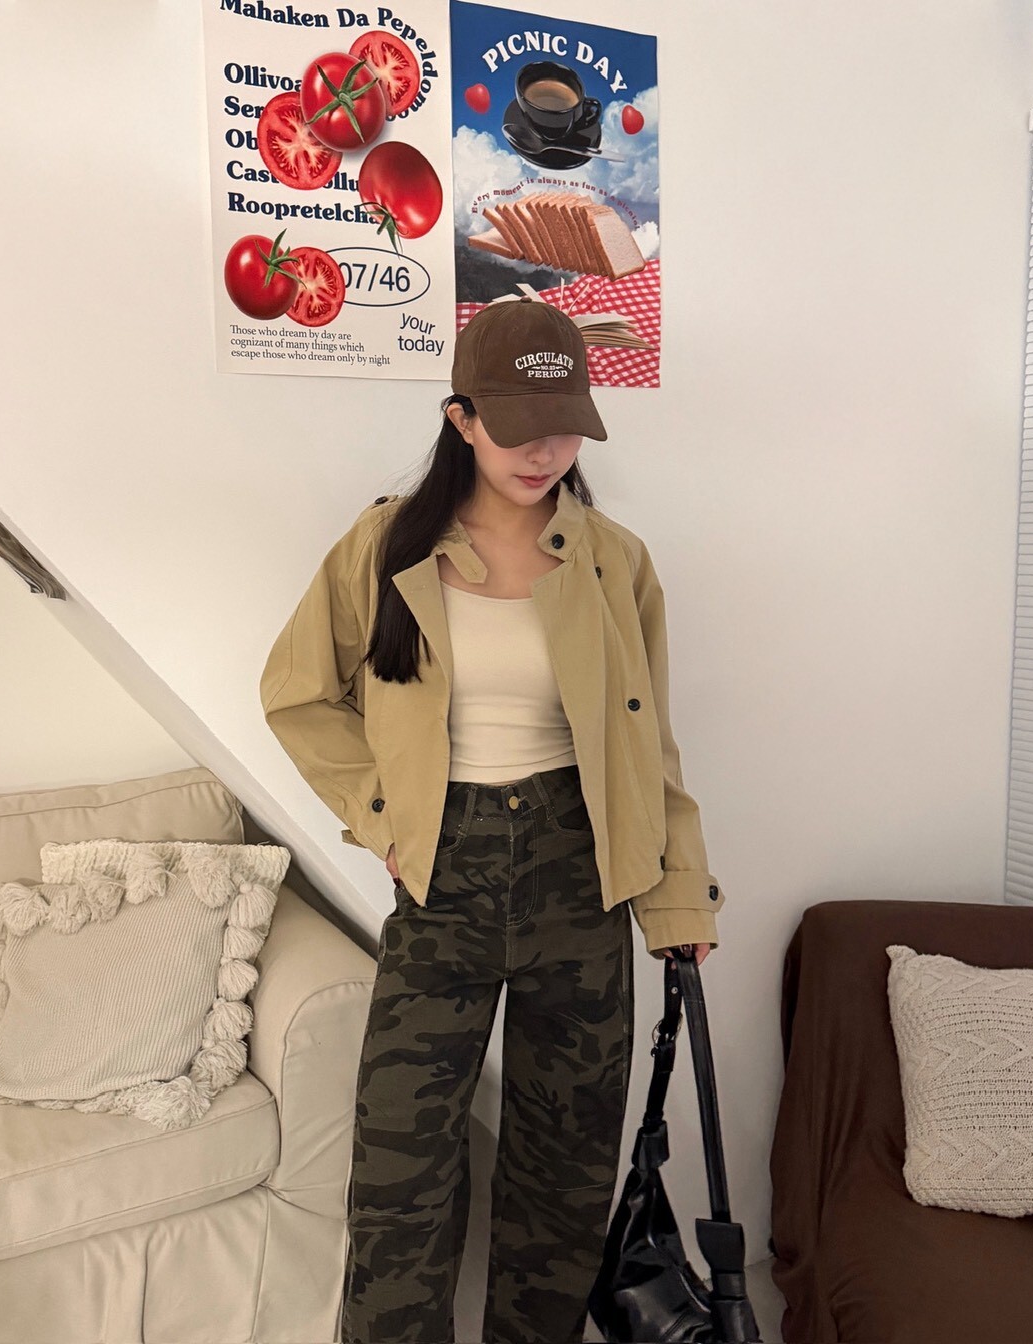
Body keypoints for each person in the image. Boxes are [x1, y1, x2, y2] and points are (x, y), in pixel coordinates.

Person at [258, 296, 725, 1344]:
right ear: (461, 418)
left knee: (564, 1178)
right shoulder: (386, 545)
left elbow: (649, 749)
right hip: (444, 879)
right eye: (516, 427)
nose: (543, 452)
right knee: (401, 1175)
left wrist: (679, 899)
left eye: (564, 428)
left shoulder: (615, 561)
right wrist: (384, 817)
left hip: (583, 874)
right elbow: (296, 693)